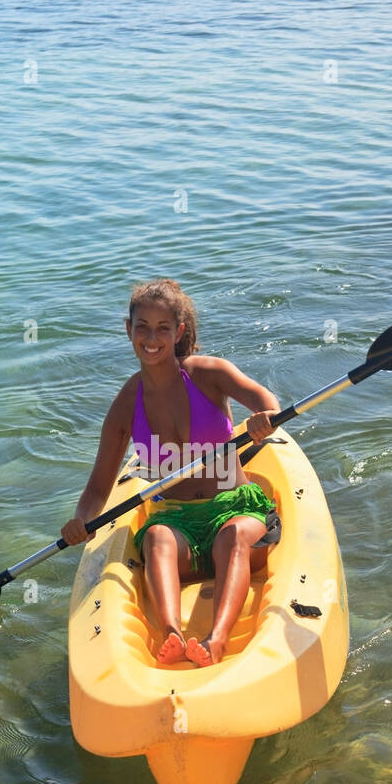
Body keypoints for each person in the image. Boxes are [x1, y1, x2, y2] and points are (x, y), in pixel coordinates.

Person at [60, 280, 282, 666]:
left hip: (235, 506)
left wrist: (265, 419)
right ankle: (173, 634)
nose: (151, 338)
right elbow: (98, 486)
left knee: (231, 536)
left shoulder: (209, 373)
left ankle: (217, 640)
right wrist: (81, 520)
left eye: (163, 328)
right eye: (142, 326)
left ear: (179, 331)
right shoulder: (126, 404)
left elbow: (265, 401)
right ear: (127, 329)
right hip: (177, 522)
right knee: (157, 536)